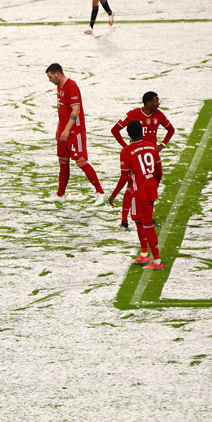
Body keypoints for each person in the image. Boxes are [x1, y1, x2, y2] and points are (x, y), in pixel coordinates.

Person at [111, 92, 175, 231]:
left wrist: (162, 145)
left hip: (151, 156)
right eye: (156, 101)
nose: (158, 103)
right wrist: (127, 147)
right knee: (130, 185)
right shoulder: (133, 114)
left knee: (150, 185)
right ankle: (124, 221)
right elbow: (115, 130)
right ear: (148, 103)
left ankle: (148, 218)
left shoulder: (159, 115)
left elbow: (171, 129)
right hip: (135, 156)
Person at [44, 63, 104, 205]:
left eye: (50, 77)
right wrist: (59, 128)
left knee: (80, 161)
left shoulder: (71, 86)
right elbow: (62, 110)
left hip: (74, 132)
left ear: (57, 74)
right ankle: (61, 194)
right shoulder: (59, 87)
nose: (50, 80)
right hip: (64, 132)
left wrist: (66, 129)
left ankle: (100, 192)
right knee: (63, 161)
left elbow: (75, 110)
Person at [108, 121, 163, 270]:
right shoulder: (152, 147)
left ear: (128, 135)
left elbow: (124, 178)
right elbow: (159, 172)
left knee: (148, 225)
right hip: (149, 191)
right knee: (138, 221)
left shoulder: (126, 152)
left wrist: (113, 195)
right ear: (142, 132)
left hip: (139, 194)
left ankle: (157, 262)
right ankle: (144, 254)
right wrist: (153, 186)